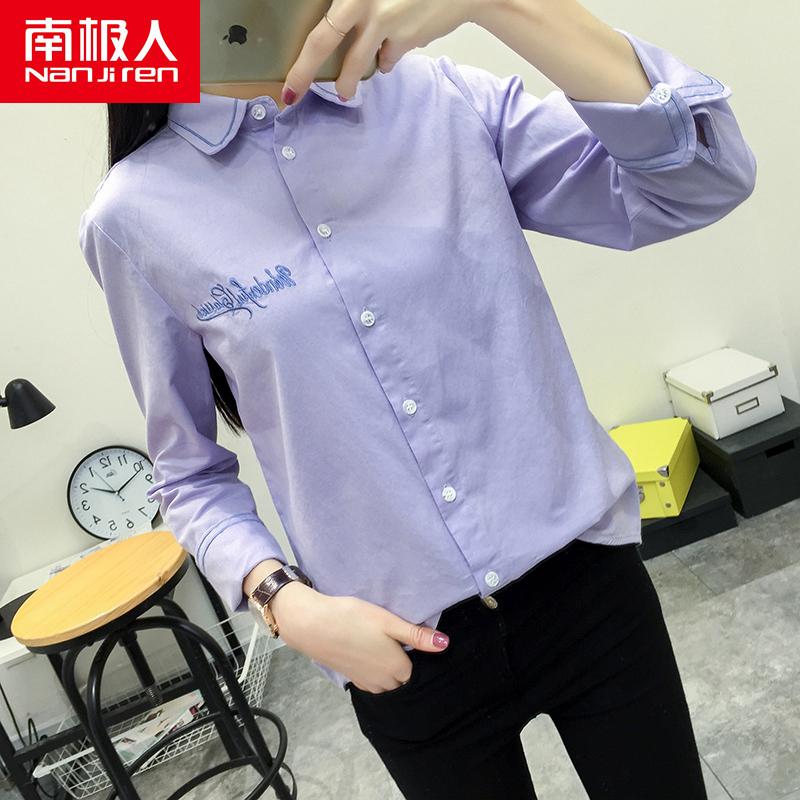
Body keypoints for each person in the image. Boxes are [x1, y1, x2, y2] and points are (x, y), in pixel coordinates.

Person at [78, 0, 756, 797]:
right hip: (397, 651)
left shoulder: (436, 99)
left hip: (587, 588)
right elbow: (188, 474)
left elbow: (701, 181)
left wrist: (498, 4)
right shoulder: (135, 215)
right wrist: (286, 604)